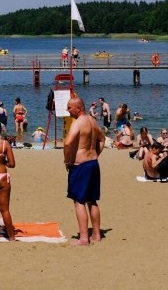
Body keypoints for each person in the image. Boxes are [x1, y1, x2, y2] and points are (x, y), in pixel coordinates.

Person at [63, 96, 103, 245]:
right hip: (93, 163)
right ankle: (97, 234)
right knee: (92, 200)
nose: (67, 110)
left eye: (69, 107)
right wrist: (95, 154)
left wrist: (68, 160)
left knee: (79, 201)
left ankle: (84, 238)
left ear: (79, 108)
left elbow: (67, 144)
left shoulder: (78, 123)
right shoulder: (93, 121)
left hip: (80, 165)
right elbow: (102, 139)